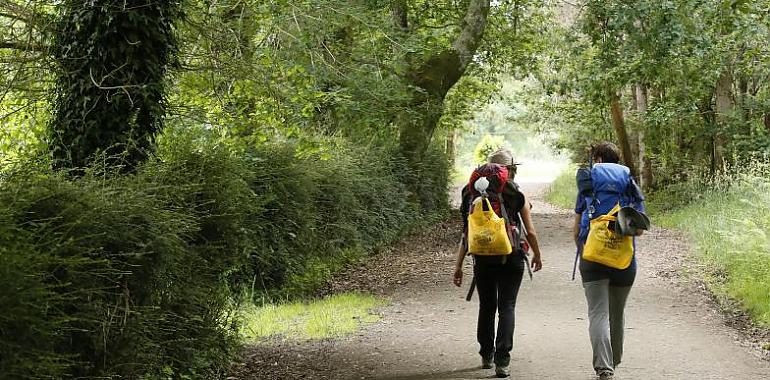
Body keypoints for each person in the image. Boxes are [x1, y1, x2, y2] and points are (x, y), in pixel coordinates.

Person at [453, 149, 543, 378]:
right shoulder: (514, 191)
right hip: (511, 256)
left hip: (482, 256)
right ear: (509, 170)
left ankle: (486, 354)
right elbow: (530, 231)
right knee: (507, 306)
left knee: (486, 306)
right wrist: (537, 254)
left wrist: (459, 264)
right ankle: (503, 360)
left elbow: (467, 231)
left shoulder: (470, 192)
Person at [573, 142, 646, 380]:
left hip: (592, 257)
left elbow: (576, 227)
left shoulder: (589, 181)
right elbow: (640, 229)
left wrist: (582, 245)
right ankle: (614, 361)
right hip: (624, 260)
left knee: (598, 313)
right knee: (617, 313)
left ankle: (604, 367)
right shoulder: (628, 184)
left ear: (599, 158)